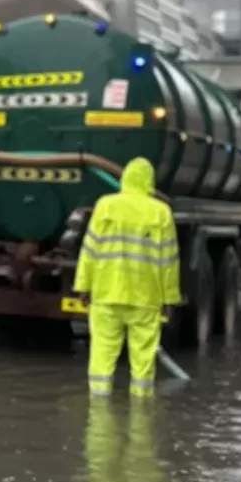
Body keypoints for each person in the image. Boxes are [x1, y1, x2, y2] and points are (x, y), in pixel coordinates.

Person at [72, 157, 180, 397]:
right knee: (143, 360)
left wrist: (83, 286)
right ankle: (141, 414)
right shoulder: (161, 212)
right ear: (150, 182)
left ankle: (99, 411)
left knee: (102, 355)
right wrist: (170, 299)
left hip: (106, 295)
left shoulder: (105, 206)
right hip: (145, 298)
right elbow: (169, 261)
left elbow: (89, 250)